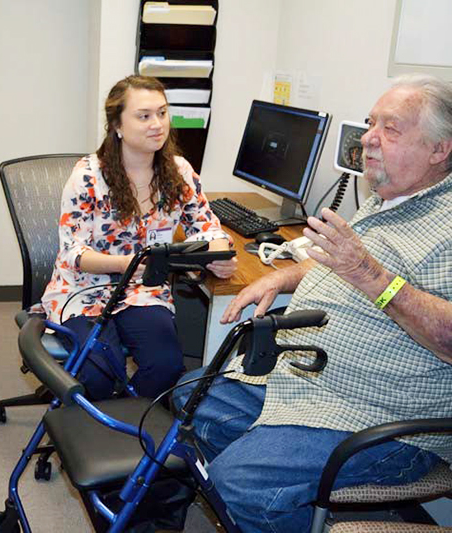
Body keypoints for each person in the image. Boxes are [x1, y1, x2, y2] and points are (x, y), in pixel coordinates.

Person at [171, 74, 452, 532]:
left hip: (383, 414)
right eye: (370, 124)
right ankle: (274, 499)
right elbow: (342, 267)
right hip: (307, 376)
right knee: (190, 395)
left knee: (240, 481)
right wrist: (283, 277)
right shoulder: (388, 198)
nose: (368, 140)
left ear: (440, 148)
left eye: (391, 129)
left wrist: (369, 273)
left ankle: (261, 493)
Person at [37, 75, 237, 400]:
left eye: (162, 112)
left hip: (142, 291)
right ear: (117, 124)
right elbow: (73, 252)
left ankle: (131, 423)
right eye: (144, 116)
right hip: (84, 288)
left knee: (167, 367)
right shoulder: (87, 177)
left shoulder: (180, 172)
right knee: (99, 376)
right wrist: (129, 263)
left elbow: (206, 226)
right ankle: (95, 426)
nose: (157, 124)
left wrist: (218, 255)